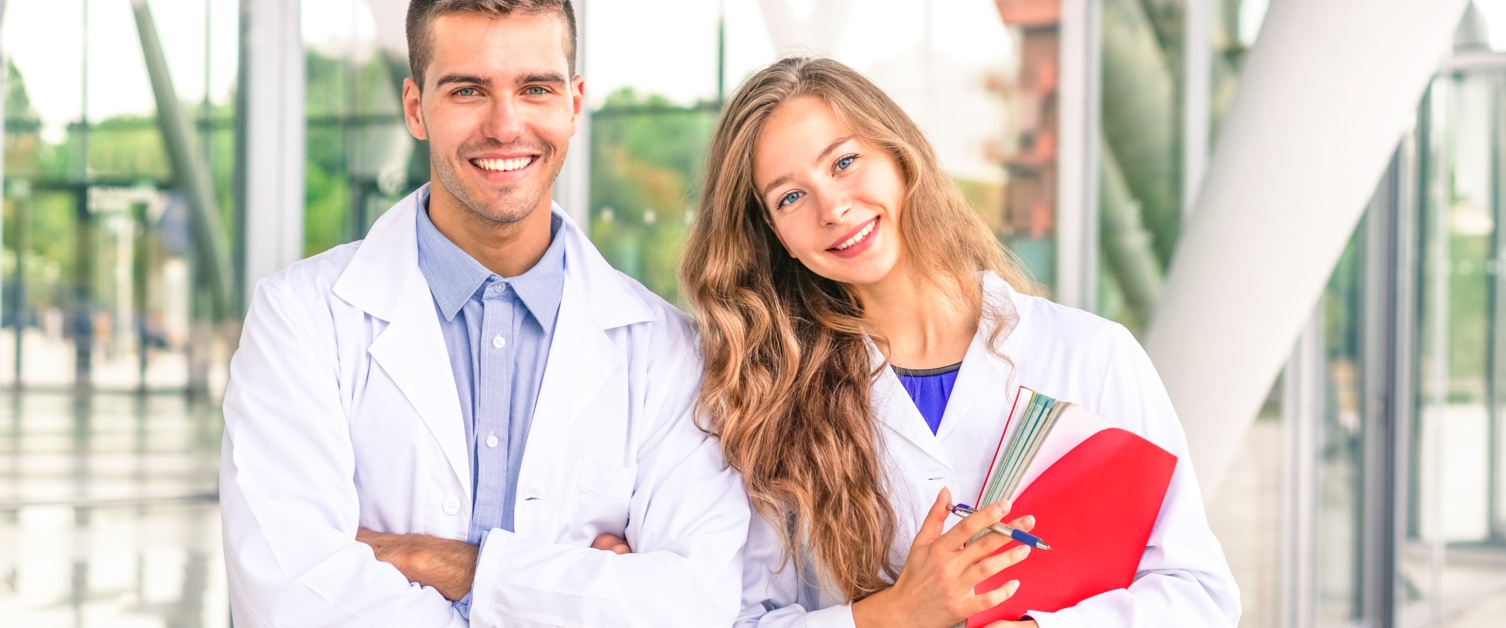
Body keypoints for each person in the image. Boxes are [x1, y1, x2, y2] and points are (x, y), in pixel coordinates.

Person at [219, 1, 748, 625]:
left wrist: (443, 561)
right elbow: (292, 598)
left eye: (535, 88)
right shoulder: (300, 319)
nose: (505, 125)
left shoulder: (665, 350)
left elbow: (697, 603)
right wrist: (585, 592)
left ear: (574, 104)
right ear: (416, 108)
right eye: (468, 90)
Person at [680, 57, 1241, 628]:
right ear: (776, 238)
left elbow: (1198, 595)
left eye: (845, 162)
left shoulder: (1091, 355)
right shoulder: (766, 402)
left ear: (899, 157)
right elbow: (738, 618)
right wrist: (895, 615)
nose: (833, 208)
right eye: (790, 198)